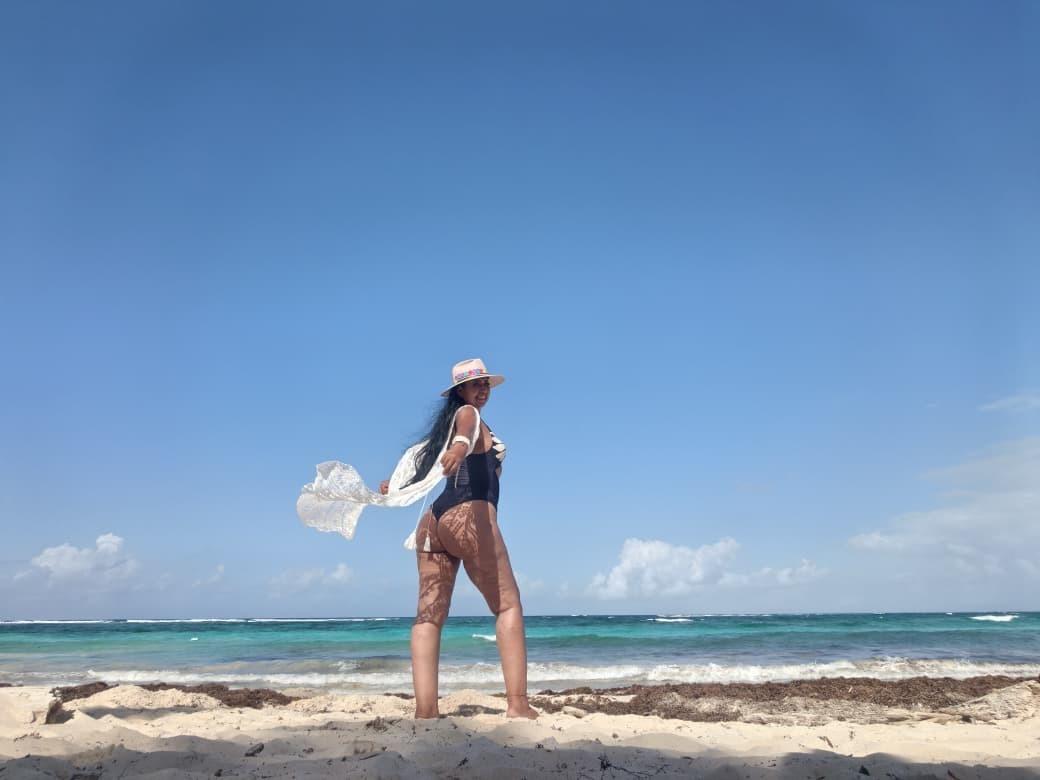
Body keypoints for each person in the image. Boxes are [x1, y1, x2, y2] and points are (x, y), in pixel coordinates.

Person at [378, 358, 538, 719]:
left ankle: (426, 712)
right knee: (508, 606)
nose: (482, 390)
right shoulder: (467, 417)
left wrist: (395, 486)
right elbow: (466, 429)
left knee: (428, 618)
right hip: (468, 517)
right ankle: (517, 704)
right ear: (460, 391)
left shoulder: (442, 431)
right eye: (475, 384)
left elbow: (421, 464)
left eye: (485, 384)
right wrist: (460, 447)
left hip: (433, 523)